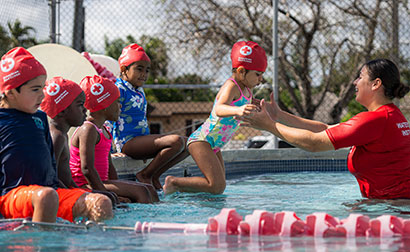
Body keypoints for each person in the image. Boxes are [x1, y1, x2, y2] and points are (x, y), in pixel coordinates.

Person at [239, 58, 410, 199]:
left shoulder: (375, 120)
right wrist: (279, 116)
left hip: (393, 209)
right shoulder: (390, 116)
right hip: (396, 204)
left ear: (376, 84)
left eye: (360, 77)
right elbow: (325, 129)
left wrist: (269, 125)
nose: (355, 82)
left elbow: (314, 143)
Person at [0, 47, 113, 223]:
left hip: (49, 192)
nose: (42, 95)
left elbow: (51, 165)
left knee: (101, 202)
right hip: (10, 196)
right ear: (11, 92)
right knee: (46, 197)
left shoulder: (39, 118)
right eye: (35, 89)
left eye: (43, 88)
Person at [163, 41, 267, 195]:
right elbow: (219, 108)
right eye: (257, 74)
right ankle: (173, 182)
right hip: (203, 140)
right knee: (217, 185)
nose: (261, 79)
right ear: (241, 71)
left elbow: (244, 105)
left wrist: (258, 107)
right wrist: (238, 110)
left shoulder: (247, 91)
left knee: (217, 187)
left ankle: (185, 193)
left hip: (214, 144)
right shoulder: (231, 86)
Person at [111, 43, 189, 190]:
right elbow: (108, 120)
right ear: (124, 69)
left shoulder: (139, 90)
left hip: (141, 141)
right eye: (139, 69)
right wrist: (111, 151)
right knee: (176, 141)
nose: (144, 74)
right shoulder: (118, 89)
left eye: (147, 70)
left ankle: (154, 175)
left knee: (189, 144)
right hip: (128, 143)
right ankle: (145, 175)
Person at [69, 75, 158, 203]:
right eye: (117, 101)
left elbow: (110, 167)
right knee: (141, 191)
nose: (120, 106)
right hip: (85, 186)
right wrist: (109, 195)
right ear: (104, 104)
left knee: (148, 188)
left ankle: (154, 219)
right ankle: (139, 221)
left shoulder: (104, 130)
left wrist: (119, 187)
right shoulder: (88, 130)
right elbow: (87, 169)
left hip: (102, 183)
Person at [40, 76, 119, 205]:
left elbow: (65, 177)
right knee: (106, 201)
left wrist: (77, 191)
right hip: (58, 195)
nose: (85, 109)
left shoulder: (62, 135)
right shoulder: (57, 137)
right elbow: (49, 176)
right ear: (63, 111)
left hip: (67, 190)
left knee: (110, 198)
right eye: (80, 105)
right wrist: (75, 196)